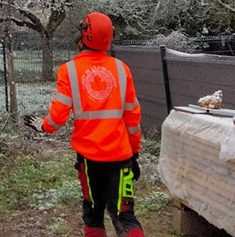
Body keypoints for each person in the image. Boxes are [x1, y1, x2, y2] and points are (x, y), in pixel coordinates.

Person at [24, 12, 145, 237]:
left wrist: (43, 126)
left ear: (84, 35)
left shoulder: (68, 71)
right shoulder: (122, 69)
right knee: (125, 216)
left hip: (89, 160)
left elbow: (58, 116)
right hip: (120, 157)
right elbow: (133, 118)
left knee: (93, 213)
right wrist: (134, 152)